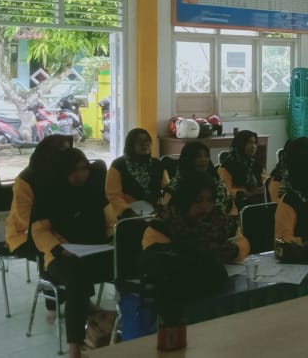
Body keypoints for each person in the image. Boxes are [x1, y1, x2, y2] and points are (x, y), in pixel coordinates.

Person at [140, 171, 241, 344]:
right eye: (198, 200)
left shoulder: (218, 221)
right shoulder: (161, 227)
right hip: (178, 300)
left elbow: (242, 242)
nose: (205, 207)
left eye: (210, 200)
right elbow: (164, 264)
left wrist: (234, 250)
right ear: (184, 200)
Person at [30, 148, 112, 358]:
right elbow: (39, 231)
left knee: (129, 265)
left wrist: (113, 236)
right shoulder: (50, 196)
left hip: (95, 251)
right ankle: (75, 347)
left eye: (84, 169)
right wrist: (58, 249)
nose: (81, 175)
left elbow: (111, 221)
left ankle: (131, 326)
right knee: (76, 281)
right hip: (59, 256)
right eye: (74, 171)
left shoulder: (93, 192)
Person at [170, 142, 249, 257]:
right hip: (190, 238)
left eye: (206, 156)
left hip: (223, 233)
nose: (203, 160)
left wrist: (233, 248)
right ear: (188, 159)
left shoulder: (216, 181)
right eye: (198, 156)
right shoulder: (177, 186)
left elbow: (230, 208)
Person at [5, 134, 74, 259]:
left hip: (57, 229)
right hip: (25, 234)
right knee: (59, 255)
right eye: (62, 153)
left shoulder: (63, 173)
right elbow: (25, 218)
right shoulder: (26, 180)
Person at [105, 128, 169, 221]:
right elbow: (113, 195)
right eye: (139, 140)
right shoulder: (118, 165)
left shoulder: (157, 164)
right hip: (124, 213)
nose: (144, 144)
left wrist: (162, 206)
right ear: (130, 145)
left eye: (147, 140)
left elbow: (167, 188)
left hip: (153, 212)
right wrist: (127, 211)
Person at [218, 130, 267, 210]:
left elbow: (265, 182)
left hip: (256, 204)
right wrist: (244, 193)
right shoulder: (227, 166)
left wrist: (261, 189)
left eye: (255, 143)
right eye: (249, 142)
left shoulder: (256, 165)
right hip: (235, 206)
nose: (253, 146)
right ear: (240, 144)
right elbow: (224, 191)